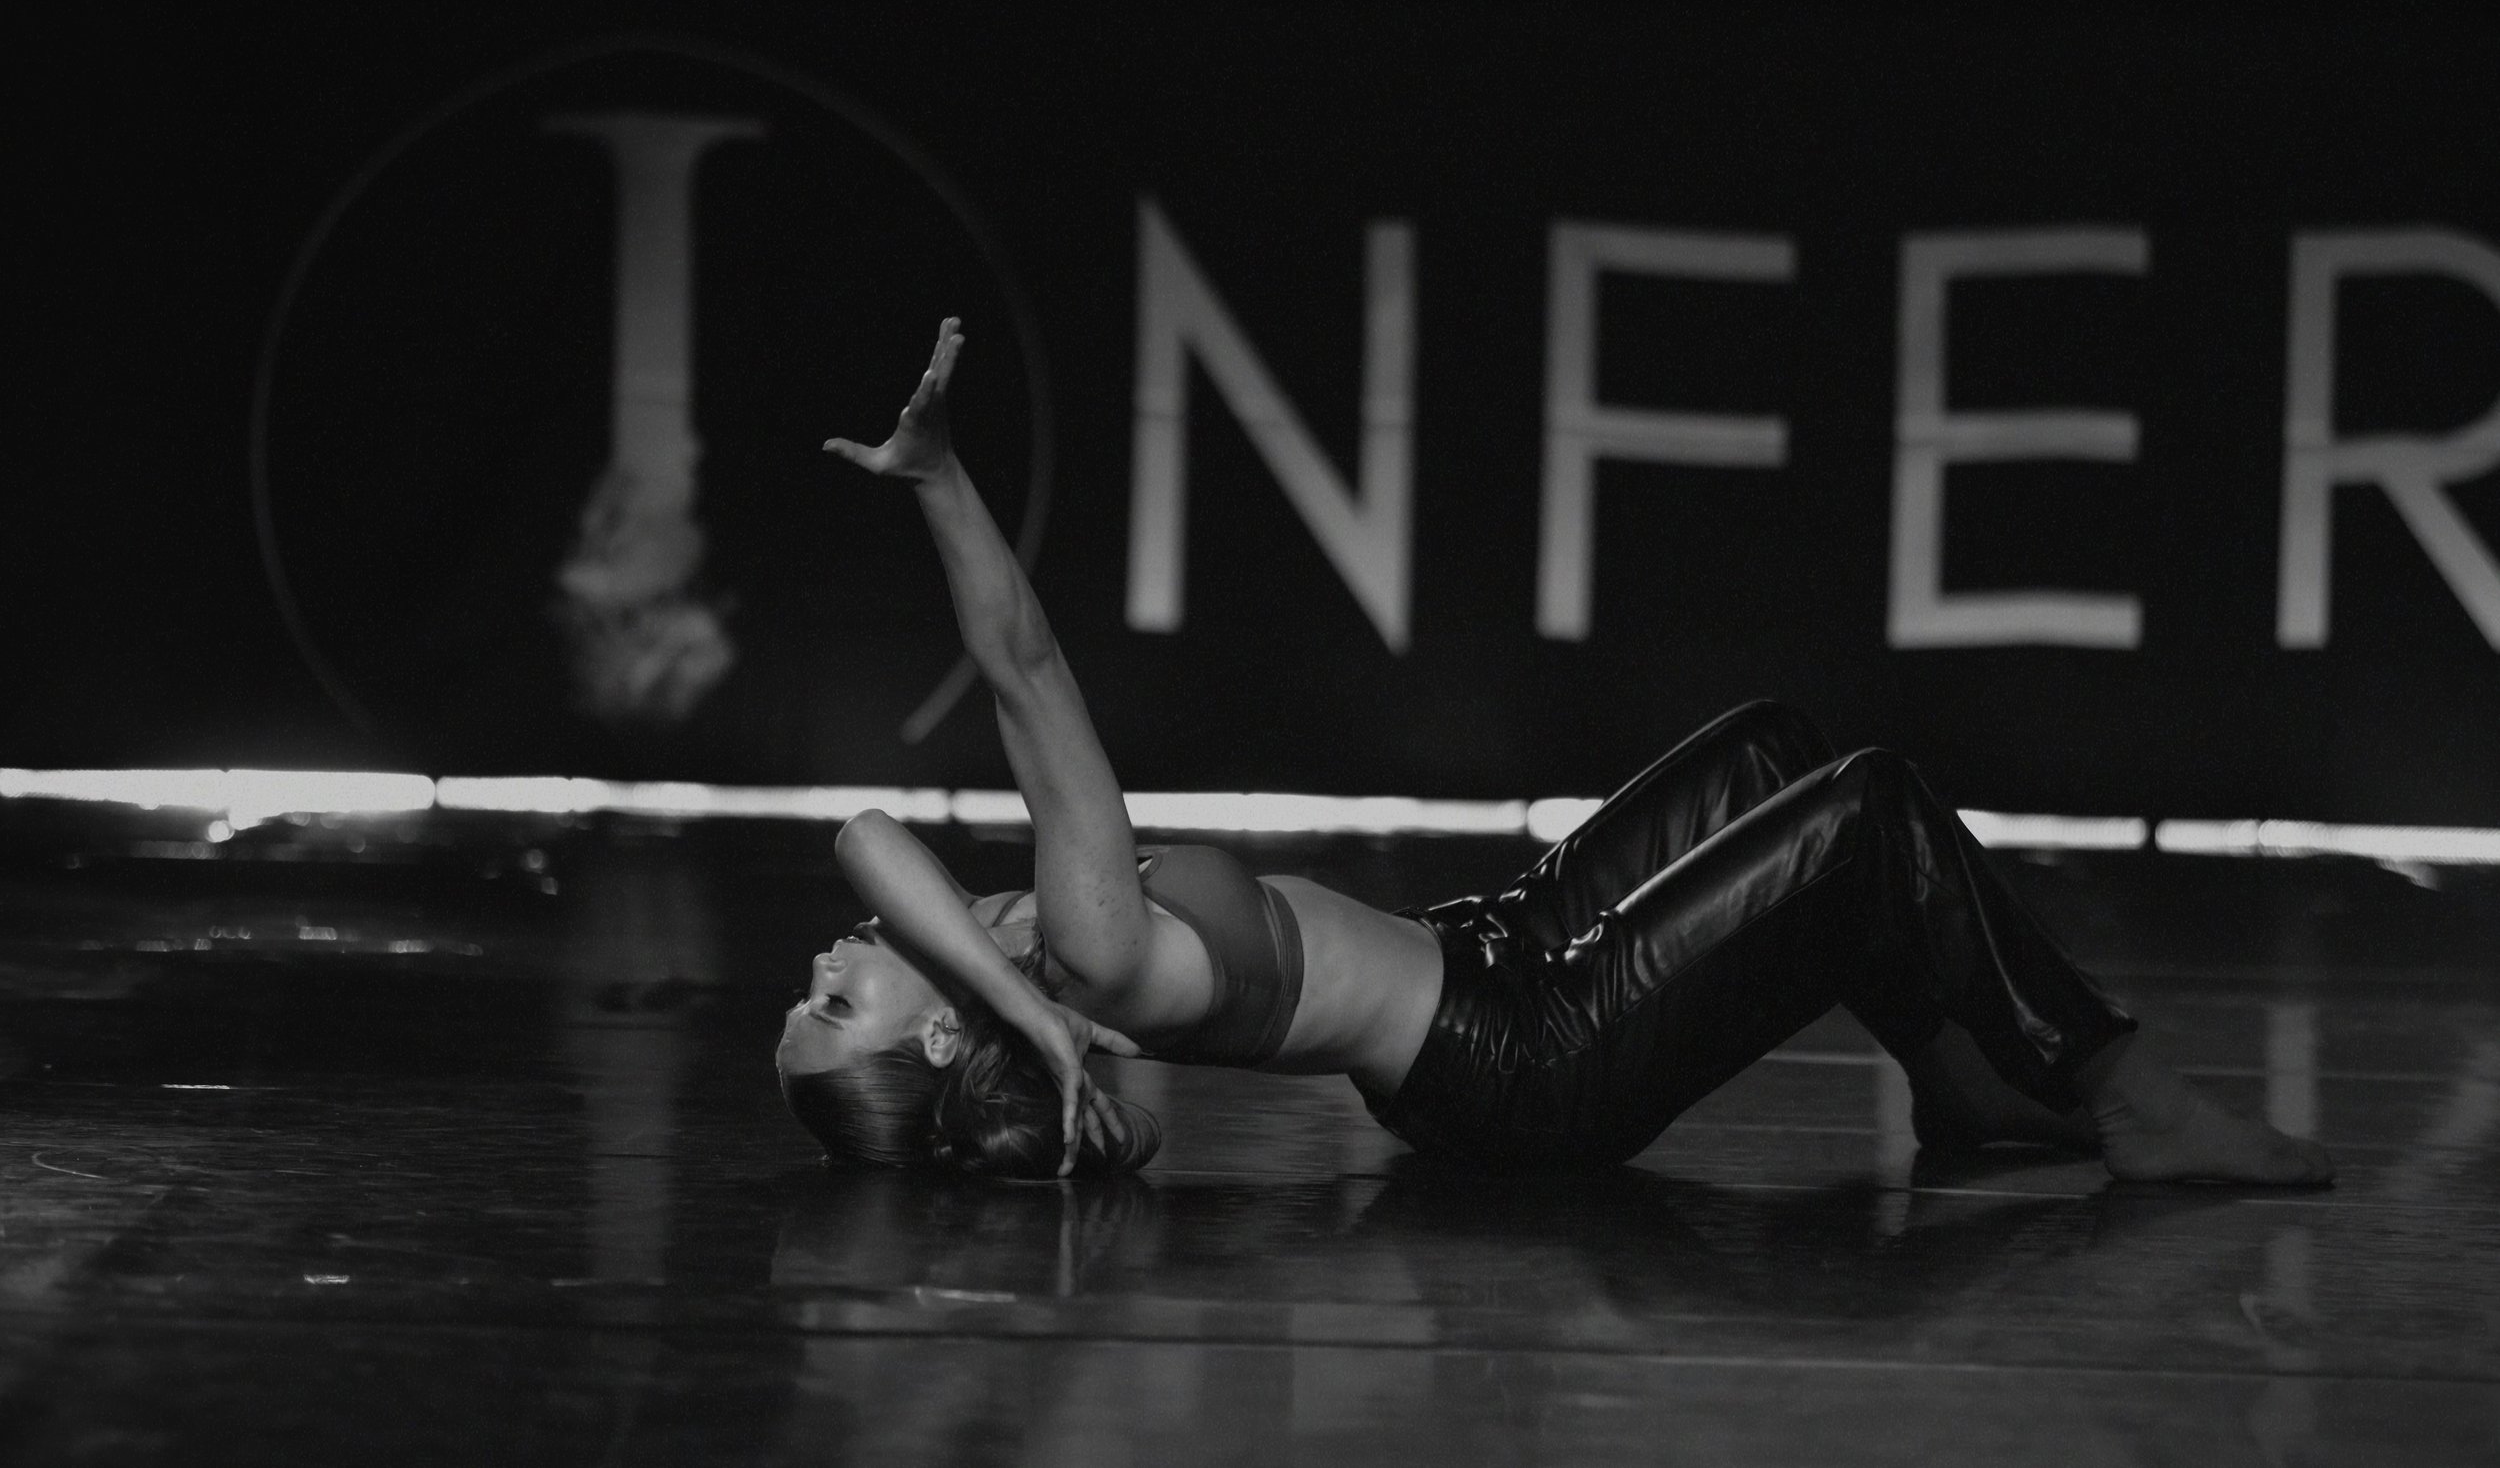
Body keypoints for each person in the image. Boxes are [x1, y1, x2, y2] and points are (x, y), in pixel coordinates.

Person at [777, 319, 2335, 1188]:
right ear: (936, 1044)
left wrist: (1002, 1011)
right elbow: (1026, 672)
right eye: (835, 1007)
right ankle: (2120, 1085)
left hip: (1498, 948)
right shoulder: (1092, 950)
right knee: (1868, 811)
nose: (824, 964)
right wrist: (945, 485)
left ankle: (1961, 1090)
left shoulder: (1018, 959)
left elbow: (861, 837)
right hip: (1528, 1060)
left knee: (1775, 750)